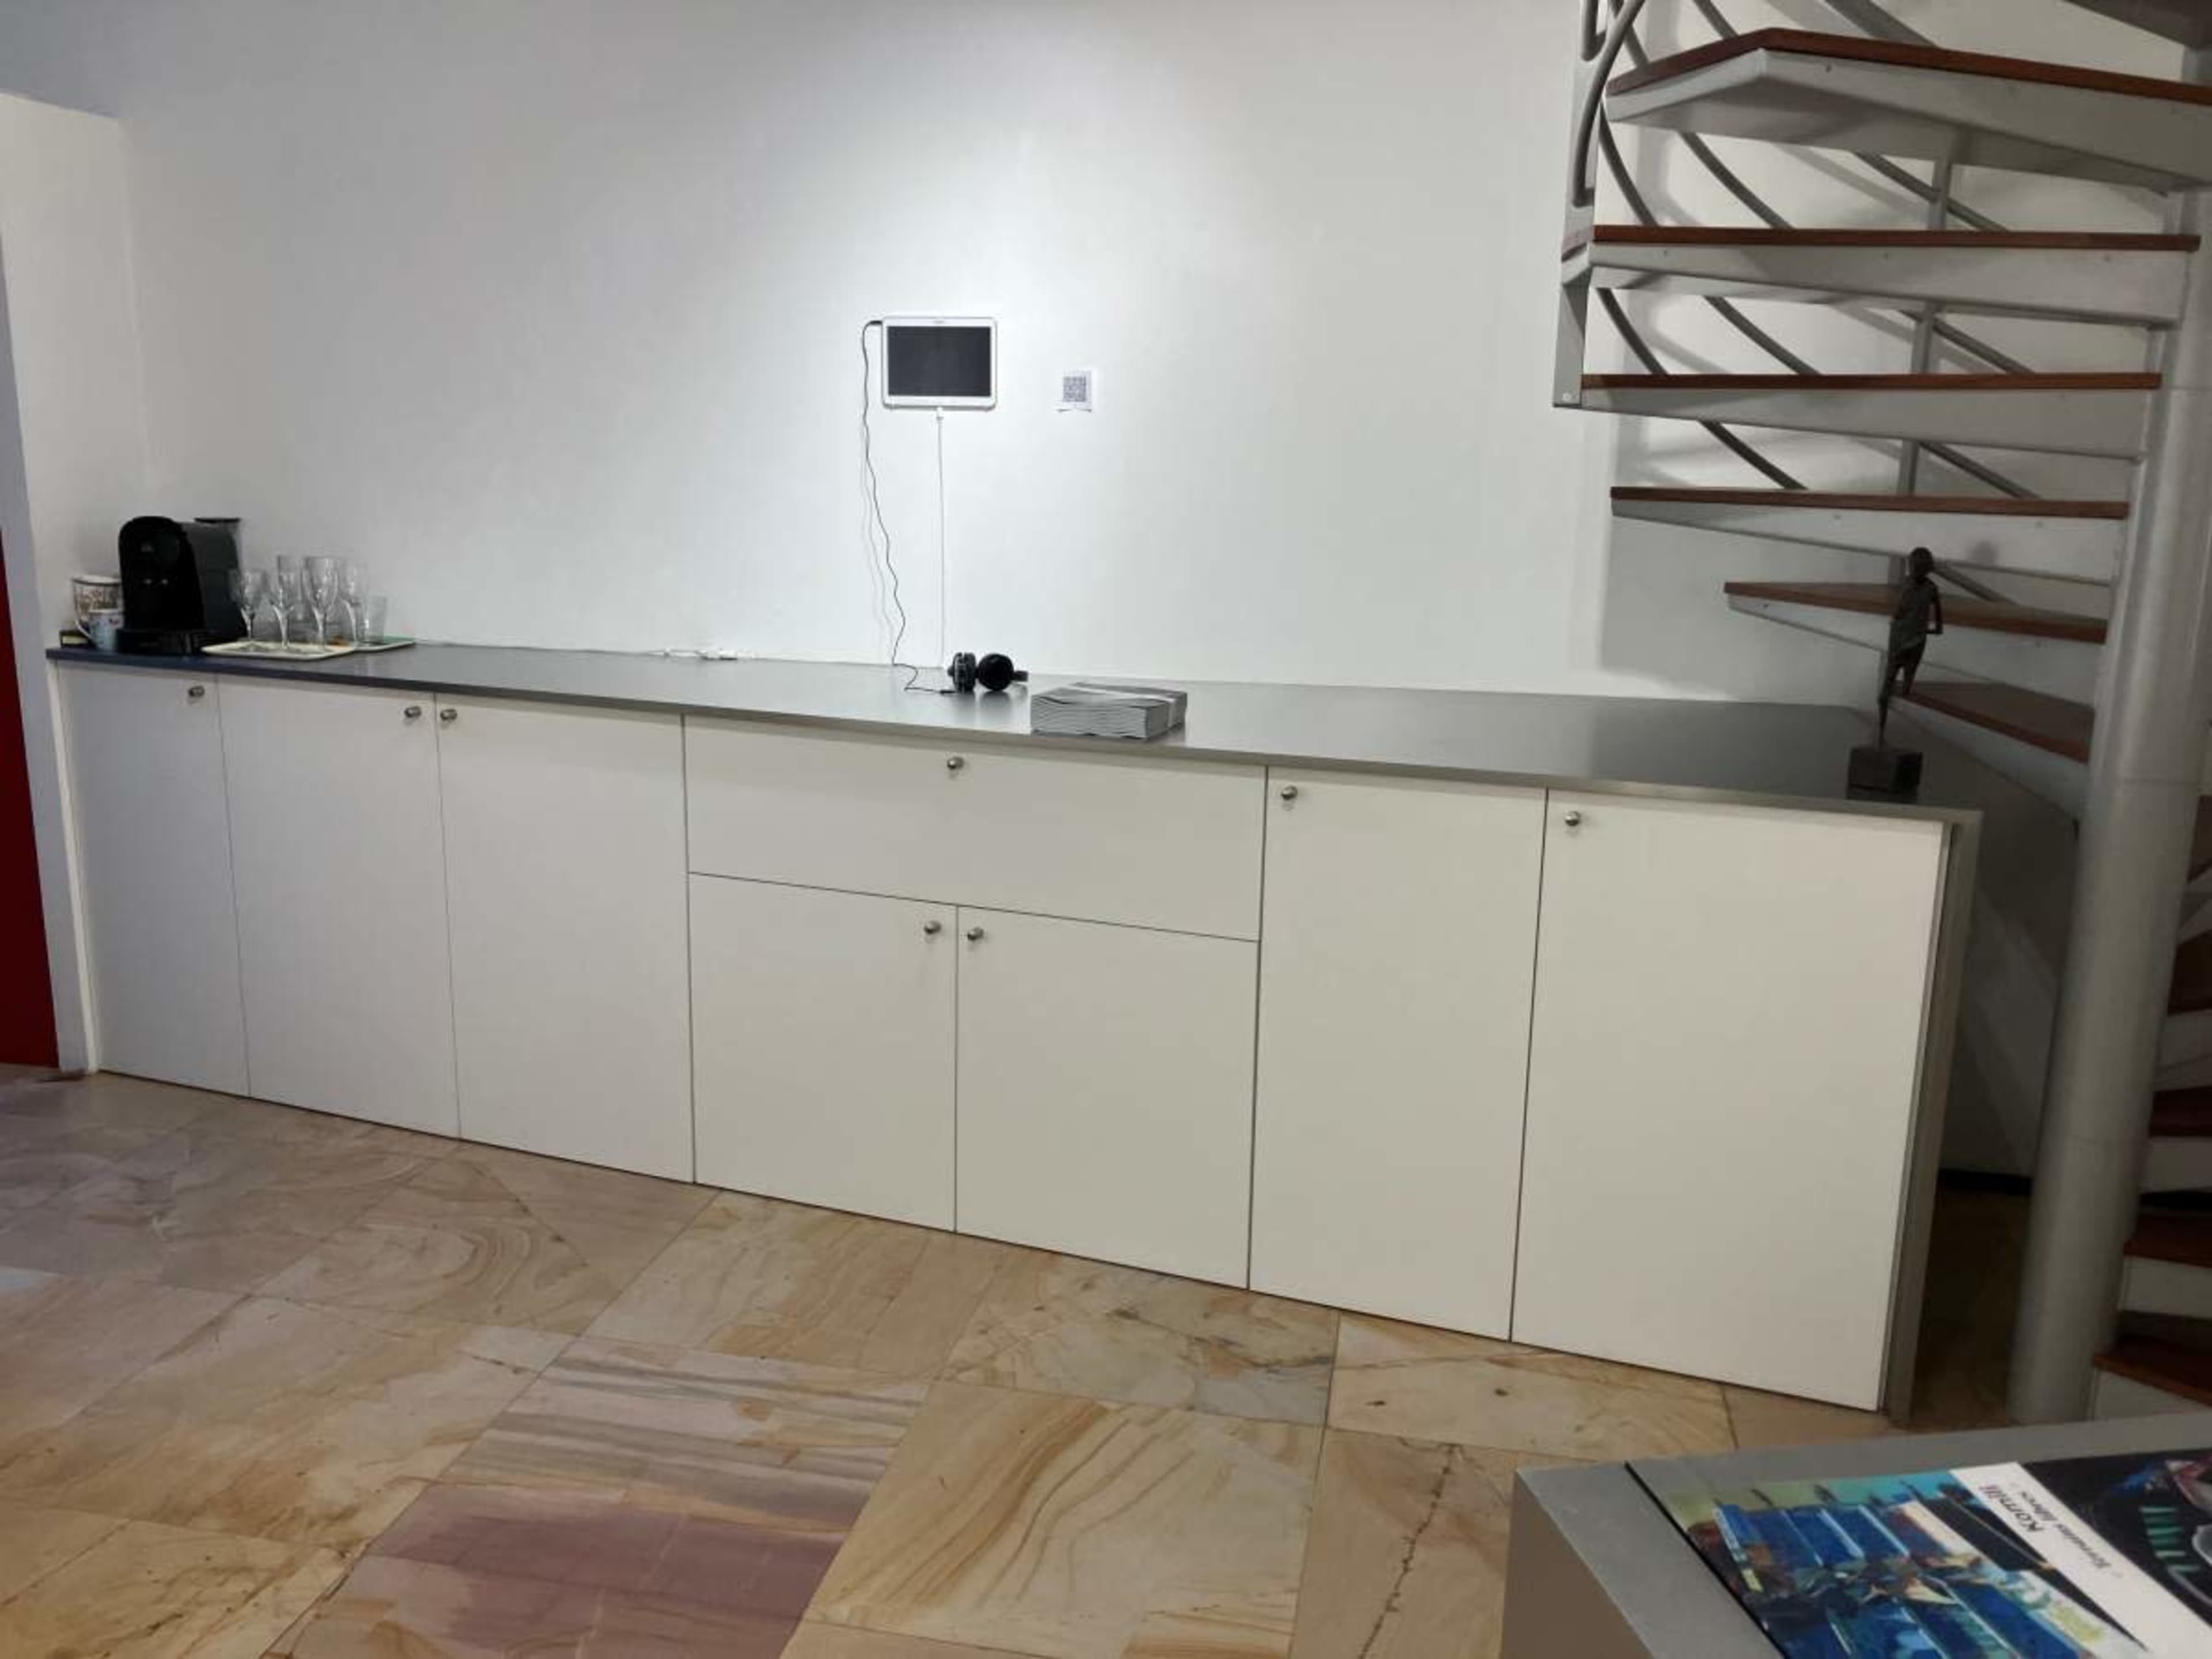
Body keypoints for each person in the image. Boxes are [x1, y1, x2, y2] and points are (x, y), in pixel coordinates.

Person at [1877, 547, 1945, 747]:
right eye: (1912, 567)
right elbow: (1901, 613)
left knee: (1903, 684)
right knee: (1887, 692)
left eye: (1914, 567)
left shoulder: (1926, 589)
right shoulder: (1916, 587)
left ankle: (1885, 727)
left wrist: (1932, 629)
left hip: (1911, 641)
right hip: (1903, 642)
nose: (1911, 571)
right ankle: (1882, 729)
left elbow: (1901, 613)